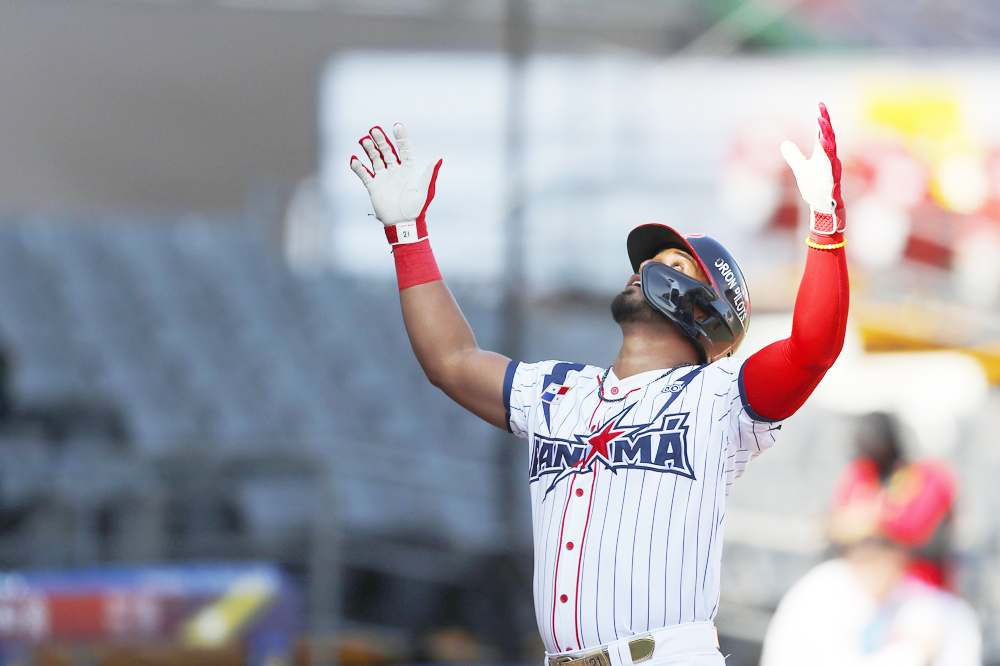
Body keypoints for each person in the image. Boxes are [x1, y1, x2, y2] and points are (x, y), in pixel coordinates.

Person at [350, 104, 849, 666]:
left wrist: (825, 223)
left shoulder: (721, 397)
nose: (645, 269)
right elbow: (451, 360)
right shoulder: (559, 392)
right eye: (646, 261)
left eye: (673, 265)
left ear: (713, 313)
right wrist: (408, 235)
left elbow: (812, 350)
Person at [761, 414, 981, 666]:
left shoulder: (927, 475)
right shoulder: (823, 593)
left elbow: (916, 533)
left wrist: (872, 520)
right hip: (875, 599)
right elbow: (842, 523)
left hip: (925, 589)